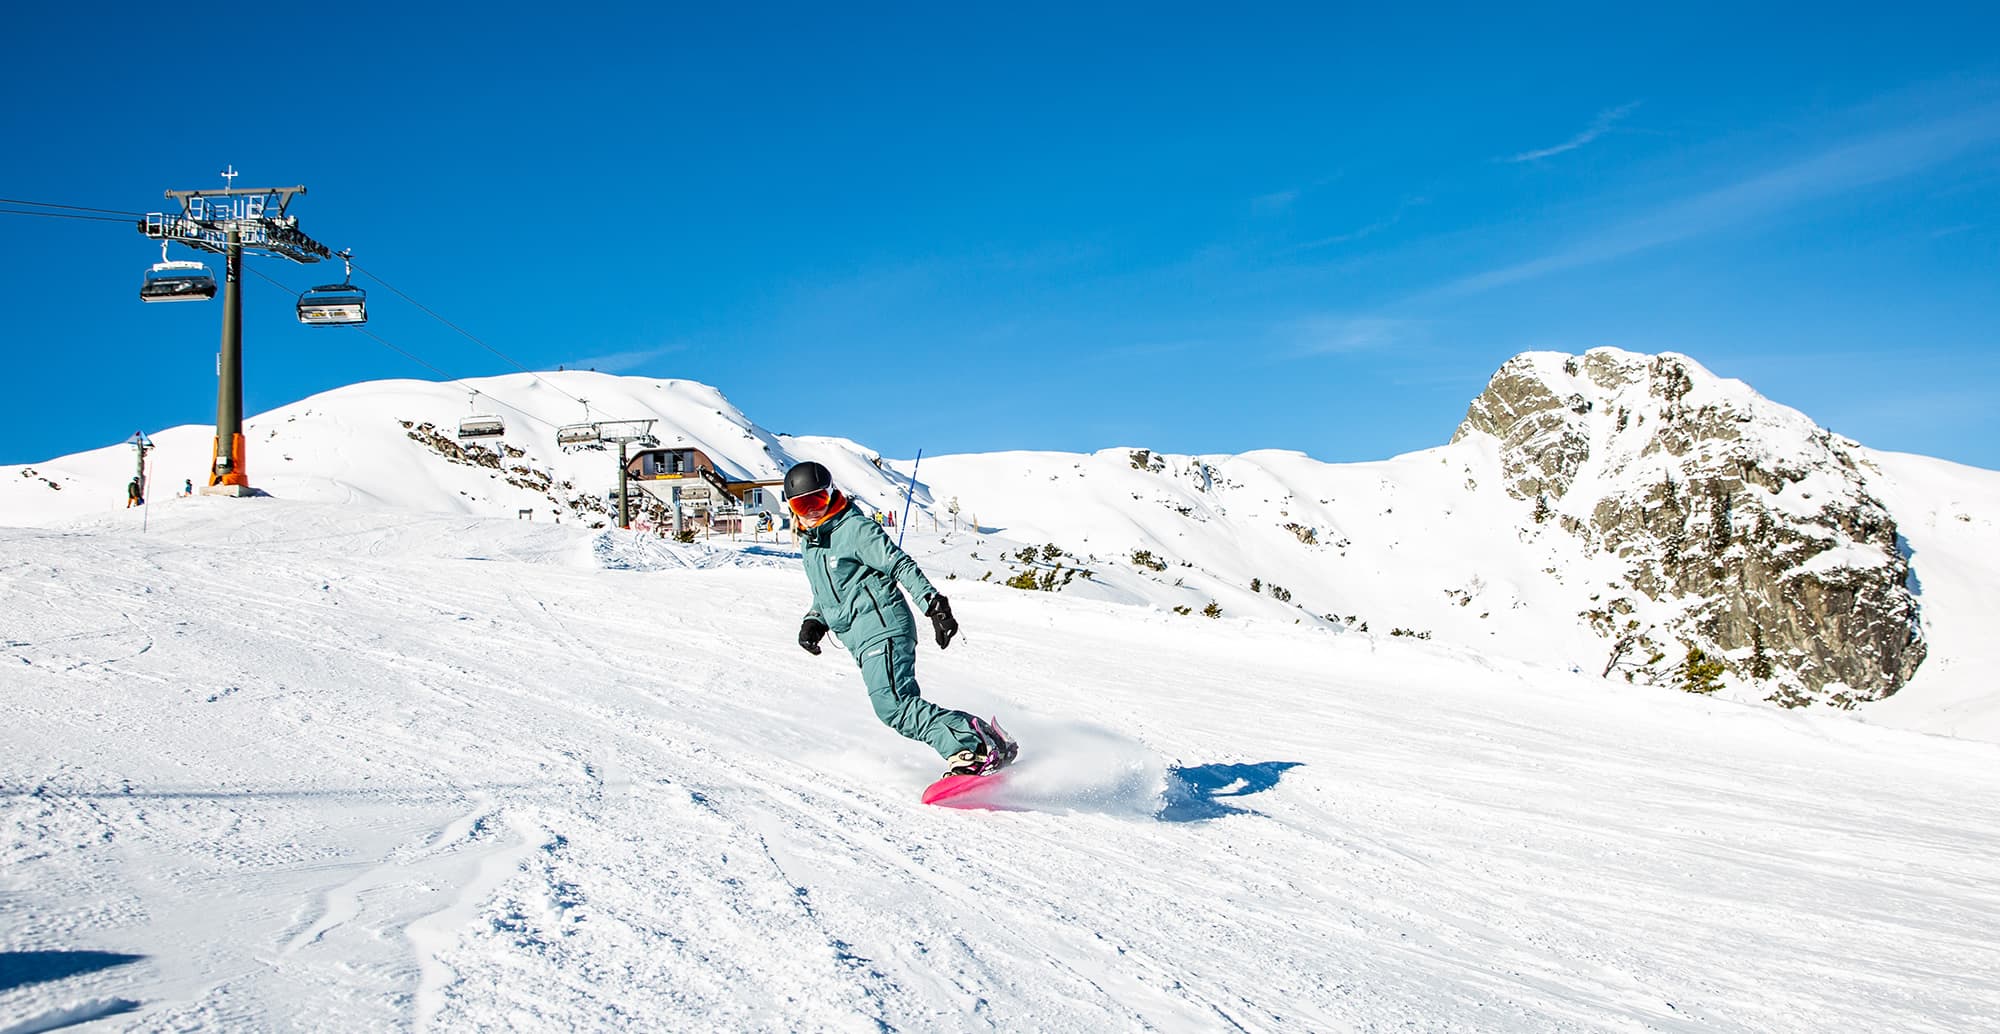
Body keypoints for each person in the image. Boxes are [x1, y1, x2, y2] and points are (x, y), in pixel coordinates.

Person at [784, 461, 1017, 777]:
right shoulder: (812, 545)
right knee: (897, 707)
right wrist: (814, 620)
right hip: (860, 638)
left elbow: (900, 565)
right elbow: (828, 592)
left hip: (883, 627)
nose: (811, 511)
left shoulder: (854, 529)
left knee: (894, 705)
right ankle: (981, 738)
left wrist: (935, 606)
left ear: (830, 494)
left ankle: (967, 750)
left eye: (817, 501)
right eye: (802, 504)